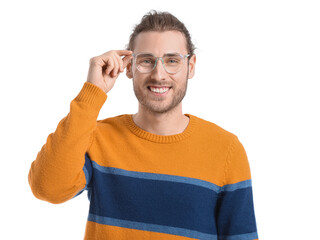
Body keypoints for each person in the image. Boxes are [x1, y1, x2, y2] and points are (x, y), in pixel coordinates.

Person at [28, 10, 259, 240]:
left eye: (172, 61)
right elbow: (47, 188)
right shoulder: (97, 138)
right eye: (146, 61)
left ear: (191, 66)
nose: (159, 75)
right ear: (128, 67)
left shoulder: (226, 149)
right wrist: (92, 94)